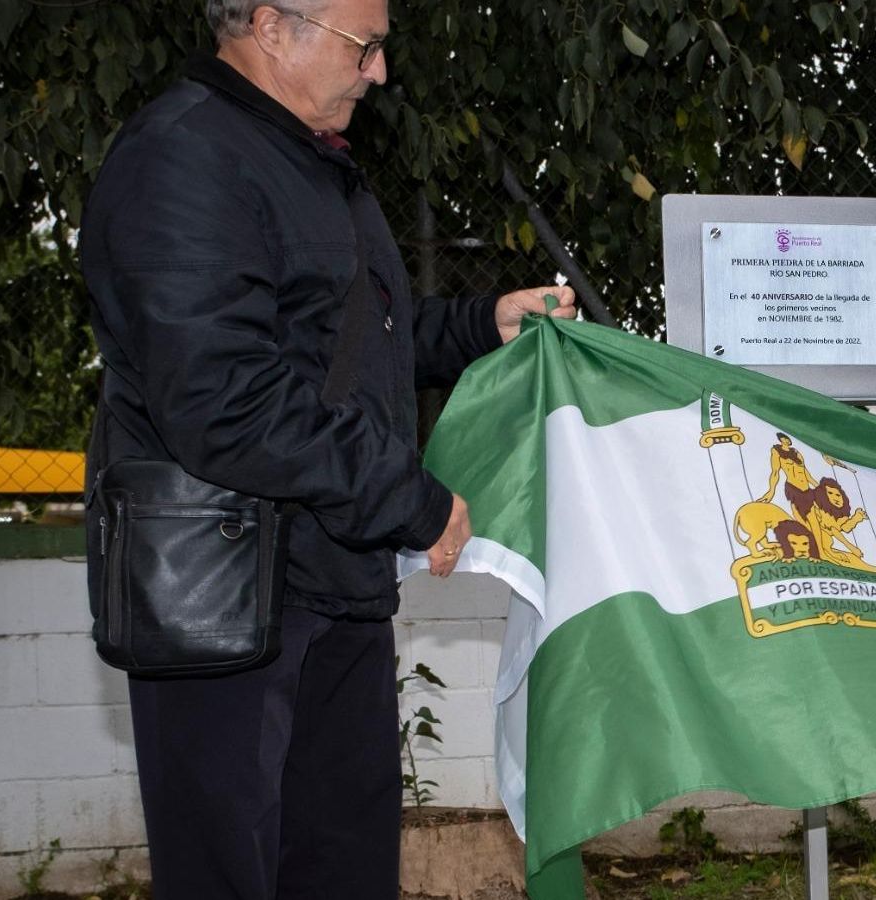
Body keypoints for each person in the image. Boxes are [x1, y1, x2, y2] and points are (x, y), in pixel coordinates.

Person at [78, 1, 575, 896]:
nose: (380, 72)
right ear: (271, 27)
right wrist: (412, 499)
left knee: (342, 866)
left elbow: (347, 345)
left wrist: (479, 323)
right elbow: (226, 402)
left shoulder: (304, 161)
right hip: (223, 605)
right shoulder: (183, 159)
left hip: (328, 579)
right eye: (367, 45)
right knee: (233, 874)